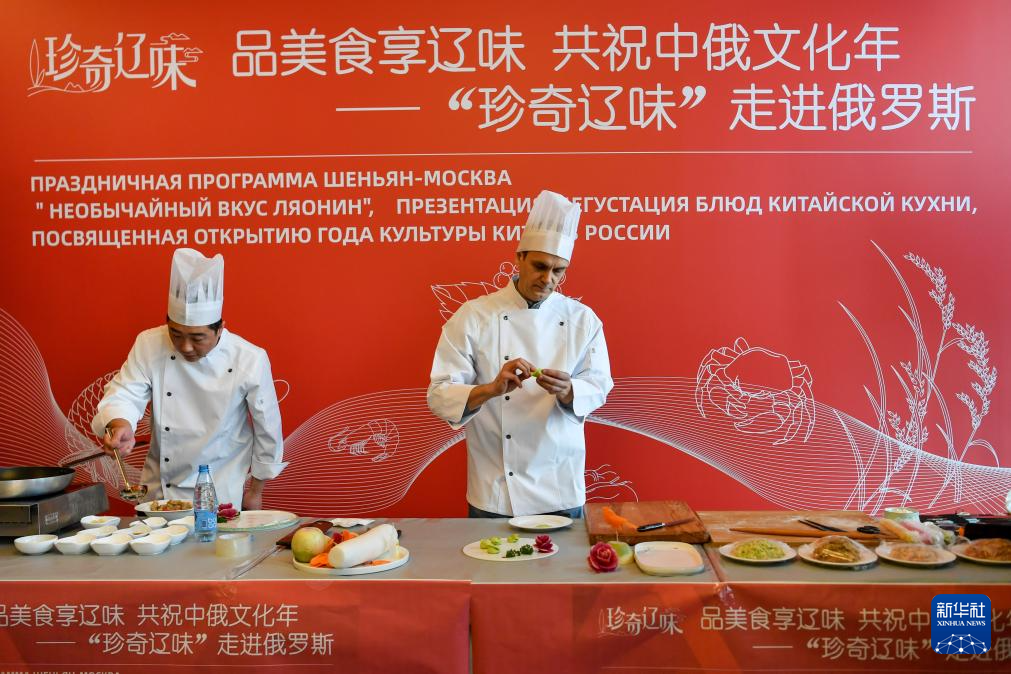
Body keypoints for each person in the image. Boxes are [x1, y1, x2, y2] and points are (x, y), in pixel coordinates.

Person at [428, 190, 613, 518]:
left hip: (560, 484)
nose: (548, 279)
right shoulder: (473, 316)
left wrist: (570, 390)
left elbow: (600, 386)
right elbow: (439, 395)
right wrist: (491, 389)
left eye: (559, 271)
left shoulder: (583, 320)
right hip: (495, 489)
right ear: (520, 257)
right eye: (540, 266)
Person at [91, 248, 286, 510]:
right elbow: (125, 391)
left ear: (220, 328)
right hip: (159, 494)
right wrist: (120, 422)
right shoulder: (149, 343)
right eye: (176, 334)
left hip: (220, 492)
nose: (185, 347)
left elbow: (267, 429)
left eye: (197, 338)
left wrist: (255, 491)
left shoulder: (249, 358)